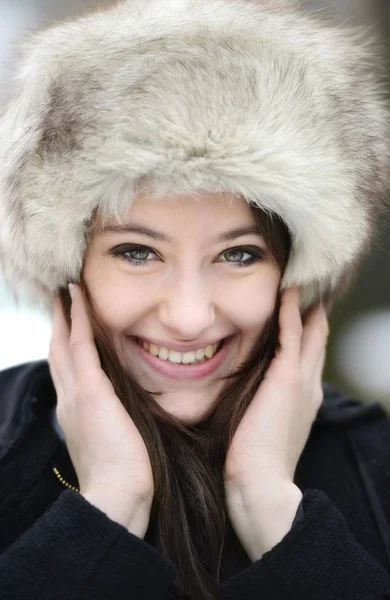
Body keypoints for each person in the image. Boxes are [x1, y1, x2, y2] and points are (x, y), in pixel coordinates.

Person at [0, 0, 389, 598]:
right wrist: (107, 508)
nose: (187, 317)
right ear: (67, 264)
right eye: (136, 251)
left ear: (293, 274)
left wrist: (270, 509)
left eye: (239, 254)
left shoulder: (376, 463)